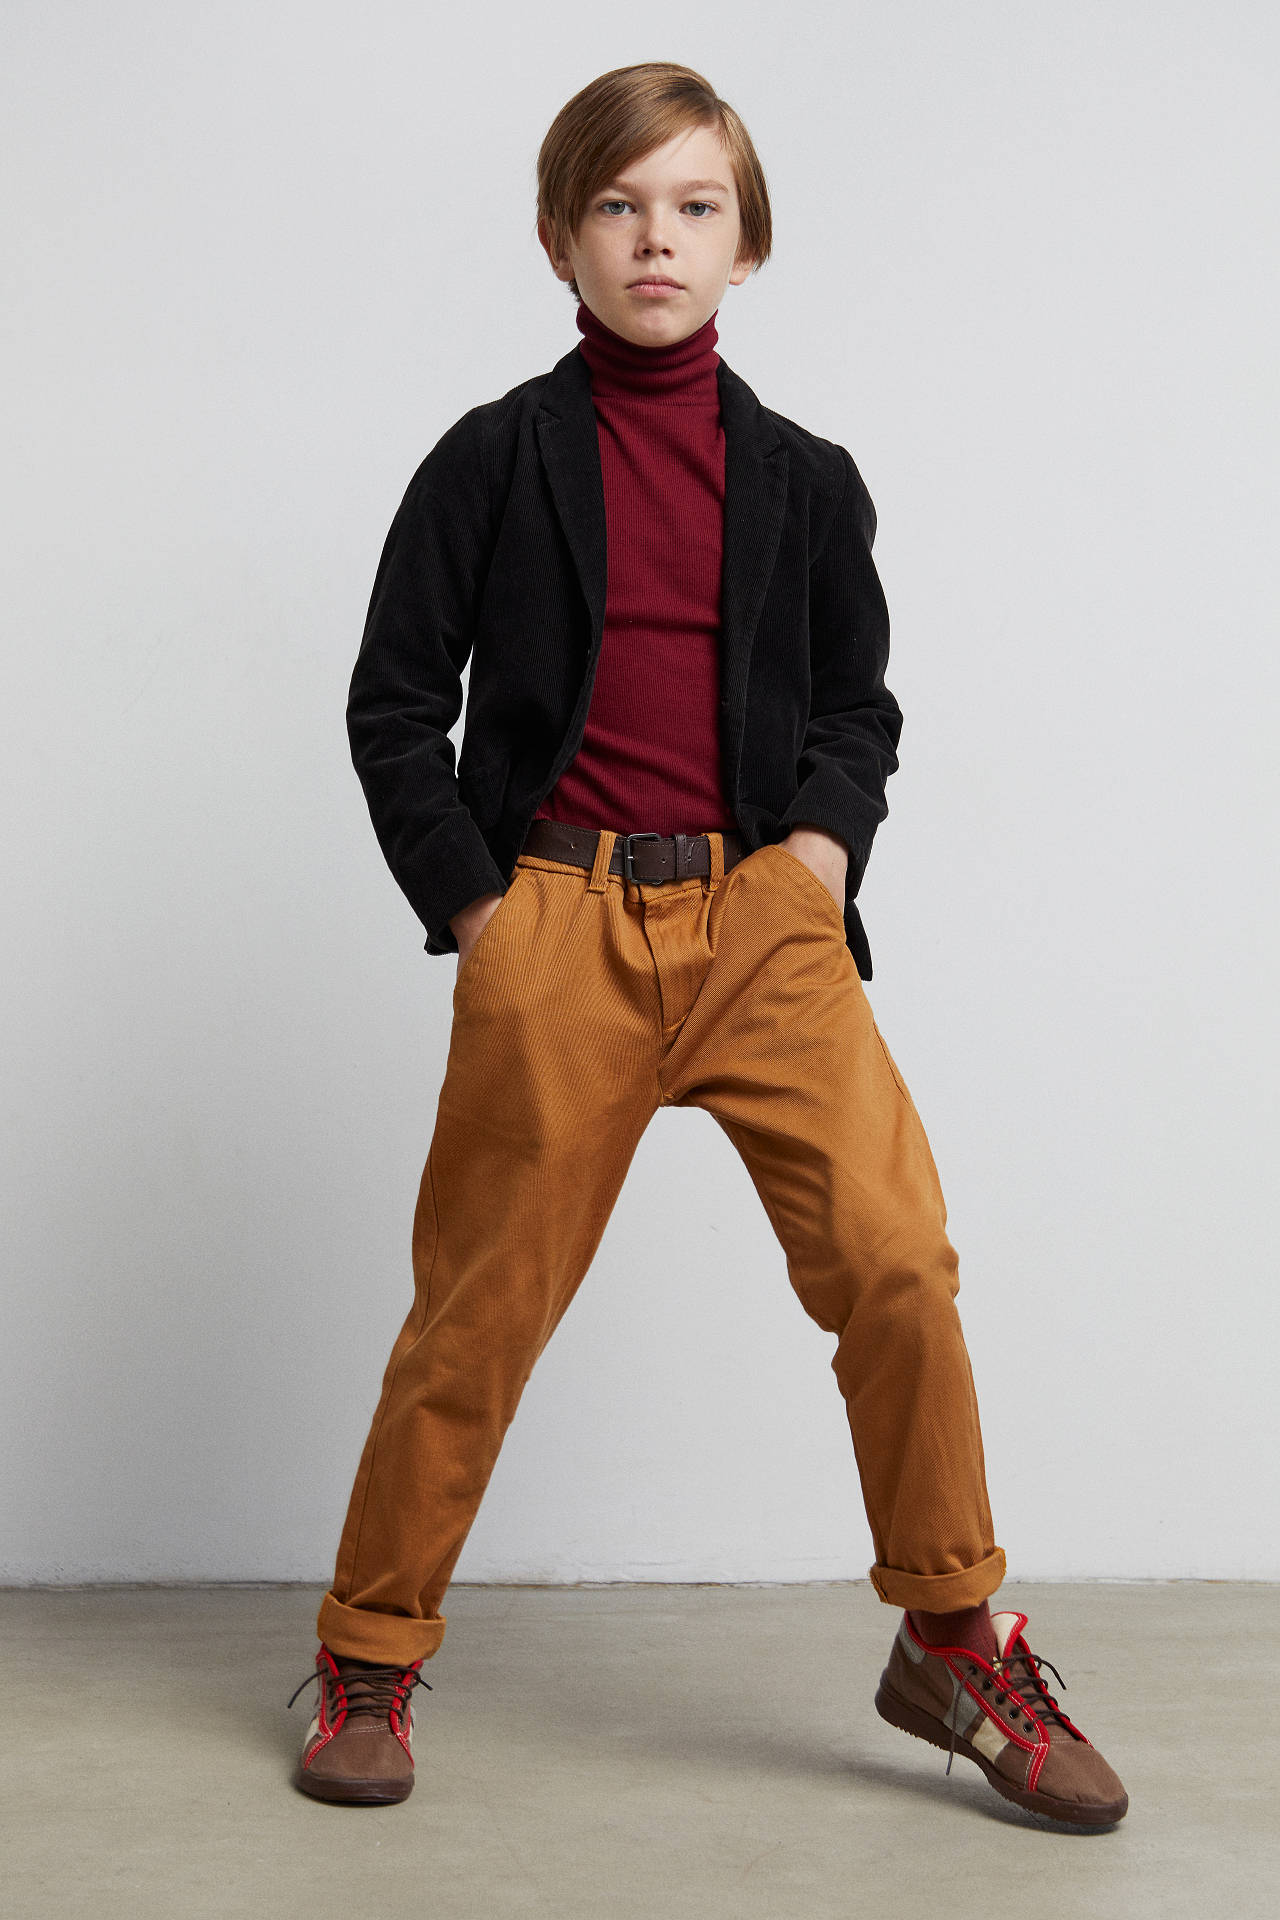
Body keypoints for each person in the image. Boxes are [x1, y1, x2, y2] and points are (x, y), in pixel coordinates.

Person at [289, 63, 1128, 1827]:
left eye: (694, 208)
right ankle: (368, 1654)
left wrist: (815, 860)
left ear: (748, 248)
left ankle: (954, 1641)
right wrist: (485, 915)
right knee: (478, 1308)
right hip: (559, 919)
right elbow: (392, 706)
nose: (654, 239)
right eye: (617, 206)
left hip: (763, 926)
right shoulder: (491, 459)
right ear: (558, 239)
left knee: (897, 1260)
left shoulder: (808, 481)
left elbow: (856, 707)